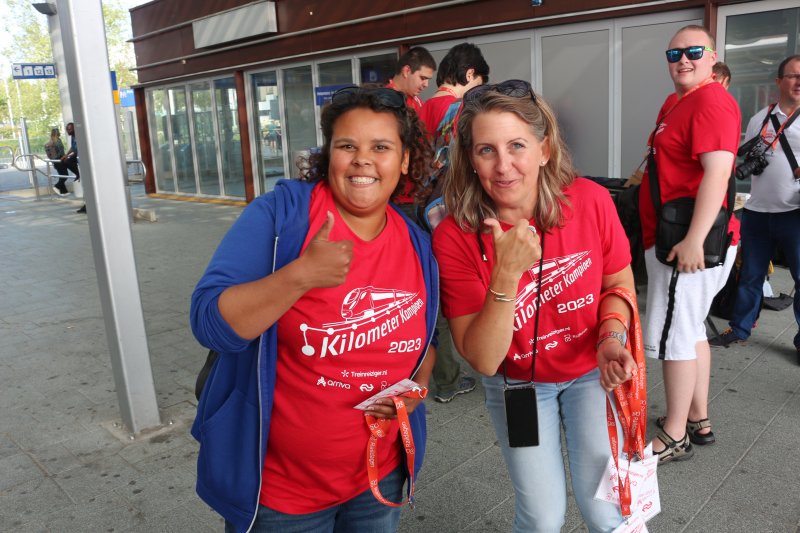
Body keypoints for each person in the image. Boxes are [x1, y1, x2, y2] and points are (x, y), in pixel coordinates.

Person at [190, 85, 438, 533]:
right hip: (281, 495)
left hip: (378, 478)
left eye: (381, 147)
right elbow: (209, 322)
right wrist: (300, 275)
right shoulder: (281, 217)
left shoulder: (417, 243)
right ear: (329, 154)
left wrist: (415, 388)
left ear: (403, 161)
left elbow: (426, 341)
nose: (362, 160)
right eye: (347, 146)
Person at [433, 79, 637, 532]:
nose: (503, 166)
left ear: (544, 150)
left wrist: (610, 337)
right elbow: (484, 359)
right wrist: (506, 274)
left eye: (517, 146)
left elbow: (618, 282)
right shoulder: (454, 236)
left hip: (590, 372)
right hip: (517, 383)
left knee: (606, 510)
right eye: (486, 150)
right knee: (542, 518)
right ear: (470, 159)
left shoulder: (590, 201)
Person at [638, 25, 740, 462]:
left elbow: (718, 173)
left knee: (675, 335)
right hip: (673, 235)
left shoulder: (712, 101)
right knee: (692, 329)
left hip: (686, 242)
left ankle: (675, 435)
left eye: (694, 51)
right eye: (674, 53)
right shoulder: (677, 101)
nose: (683, 59)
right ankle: (698, 418)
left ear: (712, 57)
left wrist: (695, 239)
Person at [710, 55, 800, 365]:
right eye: (793, 76)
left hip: (794, 213)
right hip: (757, 211)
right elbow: (750, 159)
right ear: (779, 81)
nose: (798, 82)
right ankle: (740, 328)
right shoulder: (760, 119)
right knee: (750, 275)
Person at [416, 43, 490, 403]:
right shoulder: (459, 109)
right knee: (457, 286)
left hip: (420, 206)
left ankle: (443, 377)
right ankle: (454, 375)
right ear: (471, 74)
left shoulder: (421, 107)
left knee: (432, 290)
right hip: (450, 209)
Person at [418, 42, 489, 137]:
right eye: (478, 85)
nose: (477, 91)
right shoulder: (458, 109)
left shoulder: (422, 107)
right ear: (469, 74)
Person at [386, 46, 436, 115]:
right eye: (422, 78)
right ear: (406, 71)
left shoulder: (416, 100)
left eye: (428, 79)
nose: (426, 85)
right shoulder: (385, 101)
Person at [64, 122, 86, 214]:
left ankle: (88, 205)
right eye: (67, 129)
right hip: (80, 162)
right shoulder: (73, 137)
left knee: (87, 185)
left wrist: (70, 155)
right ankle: (86, 205)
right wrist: (66, 155)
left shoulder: (79, 135)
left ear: (74, 129)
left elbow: (78, 148)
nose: (68, 131)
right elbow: (73, 148)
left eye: (69, 129)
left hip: (85, 162)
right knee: (85, 186)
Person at [44, 128, 69, 195]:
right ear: (57, 133)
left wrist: (53, 161)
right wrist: (65, 158)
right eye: (58, 133)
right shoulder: (58, 141)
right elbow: (61, 152)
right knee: (65, 175)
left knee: (62, 175)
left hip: (55, 161)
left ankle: (64, 192)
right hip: (60, 160)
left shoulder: (49, 143)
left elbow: (49, 155)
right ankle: (56, 186)